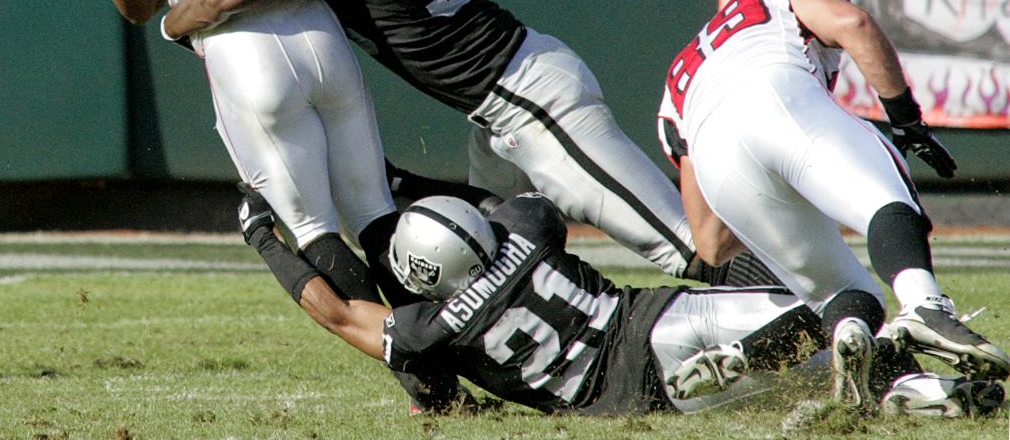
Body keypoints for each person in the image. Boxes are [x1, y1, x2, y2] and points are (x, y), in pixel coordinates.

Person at [163, 0, 776, 290]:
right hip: (504, 105)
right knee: (502, 247)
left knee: (693, 248)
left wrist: (174, 23)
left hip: (530, 104)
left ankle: (812, 321)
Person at [76, 0, 458, 413]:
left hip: (237, 52)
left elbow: (134, 6)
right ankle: (455, 355)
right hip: (317, 25)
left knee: (311, 231)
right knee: (374, 210)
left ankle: (430, 383)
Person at [238, 188, 1007, 415]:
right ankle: (906, 367)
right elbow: (525, 204)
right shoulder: (526, 233)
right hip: (655, 318)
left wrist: (265, 238)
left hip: (630, 397)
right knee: (838, 306)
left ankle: (900, 394)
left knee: (796, 386)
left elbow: (333, 310)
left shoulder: (429, 326)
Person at [656, 0, 1010, 407]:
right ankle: (925, 305)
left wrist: (788, 190)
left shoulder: (679, 81)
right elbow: (854, 24)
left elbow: (710, 242)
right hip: (774, 91)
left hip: (716, 160)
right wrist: (907, 120)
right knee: (888, 191)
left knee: (847, 298)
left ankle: (752, 355)